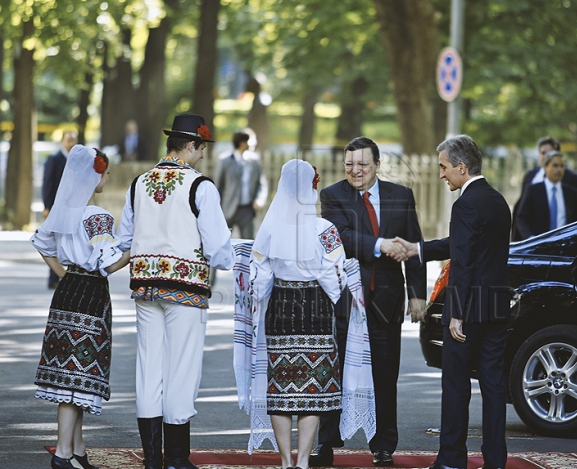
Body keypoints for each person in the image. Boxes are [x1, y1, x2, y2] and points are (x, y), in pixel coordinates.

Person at [117, 114, 235, 469]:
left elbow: (124, 240)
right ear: (191, 145)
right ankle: (177, 458)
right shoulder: (200, 186)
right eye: (201, 148)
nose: (203, 155)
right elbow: (218, 248)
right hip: (185, 289)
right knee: (181, 369)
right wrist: (232, 257)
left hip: (145, 286)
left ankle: (153, 458)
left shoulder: (139, 183)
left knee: (149, 367)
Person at [395, 135, 511, 469]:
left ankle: (451, 460)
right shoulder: (498, 200)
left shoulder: (465, 205)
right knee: (493, 388)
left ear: (462, 167)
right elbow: (466, 246)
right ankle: (496, 461)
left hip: (468, 310)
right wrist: (418, 249)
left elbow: (463, 263)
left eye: (445, 167)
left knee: (456, 386)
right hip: (495, 307)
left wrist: (456, 314)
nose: (442, 174)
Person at [314, 136, 426, 467]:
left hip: (387, 301)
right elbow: (342, 237)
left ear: (377, 165)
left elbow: (414, 244)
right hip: (345, 301)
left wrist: (418, 294)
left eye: (363, 164)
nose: (355, 170)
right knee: (336, 372)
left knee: (385, 374)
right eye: (350, 164)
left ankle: (383, 444)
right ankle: (327, 442)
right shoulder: (332, 196)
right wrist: (380, 245)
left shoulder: (400, 195)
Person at [31, 145, 130, 469]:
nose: (108, 177)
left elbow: (42, 243)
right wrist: (137, 246)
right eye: (106, 172)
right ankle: (63, 454)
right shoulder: (97, 216)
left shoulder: (63, 211)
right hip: (90, 294)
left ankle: (76, 450)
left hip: (67, 291)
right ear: (95, 175)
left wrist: (63, 274)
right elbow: (109, 264)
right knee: (77, 377)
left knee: (67, 375)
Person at [250, 159, 347, 469]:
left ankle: (284, 461)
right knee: (313, 388)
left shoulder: (268, 229)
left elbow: (259, 277)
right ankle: (303, 461)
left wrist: (259, 301)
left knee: (281, 385)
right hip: (315, 308)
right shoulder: (323, 229)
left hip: (280, 308)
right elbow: (336, 275)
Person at [511, 137, 577, 241]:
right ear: (546, 166)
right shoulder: (532, 185)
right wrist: (530, 239)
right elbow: (521, 216)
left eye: (561, 166)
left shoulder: (571, 191)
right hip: (538, 243)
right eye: (555, 166)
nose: (558, 170)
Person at [214, 129, 268, 239]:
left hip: (247, 210)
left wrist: (259, 200)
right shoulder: (224, 160)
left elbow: (261, 183)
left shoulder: (254, 161)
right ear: (242, 142)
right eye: (252, 140)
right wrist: (217, 209)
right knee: (223, 241)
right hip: (228, 209)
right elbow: (218, 186)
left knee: (248, 243)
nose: (255, 143)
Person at [42, 130, 78, 289]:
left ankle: (65, 275)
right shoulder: (54, 159)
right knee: (55, 242)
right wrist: (47, 206)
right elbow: (47, 184)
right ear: (62, 141)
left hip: (71, 208)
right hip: (56, 207)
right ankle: (54, 278)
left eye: (73, 140)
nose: (71, 143)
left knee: (66, 242)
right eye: (68, 140)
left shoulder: (77, 161)